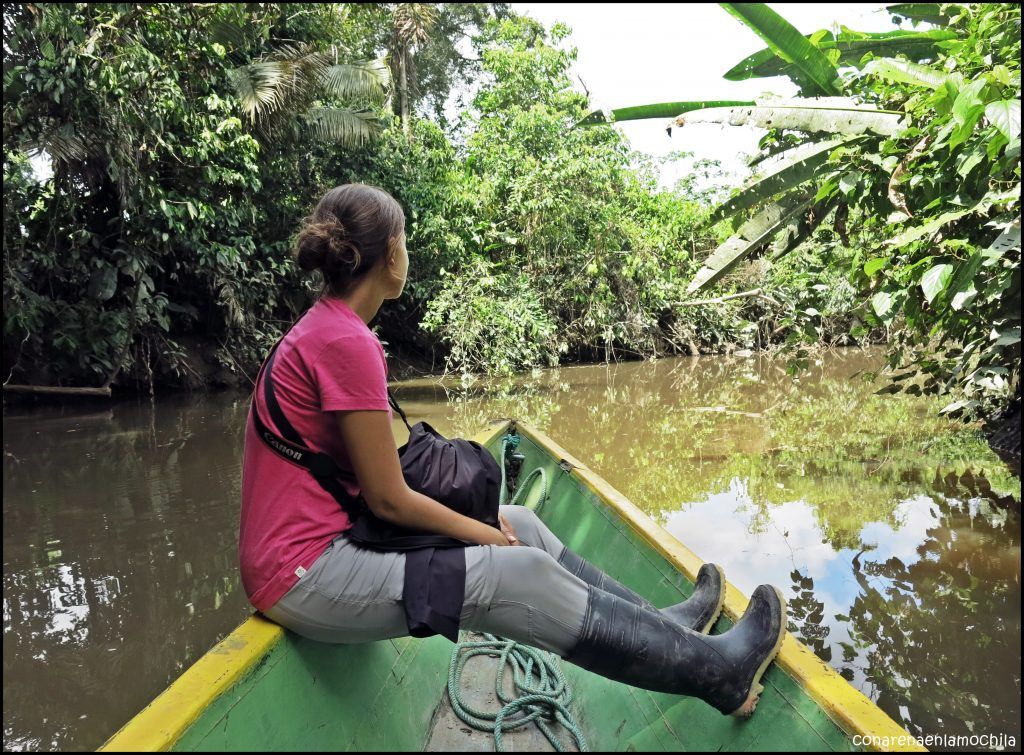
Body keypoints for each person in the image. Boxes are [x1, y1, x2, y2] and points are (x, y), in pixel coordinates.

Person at [239, 183, 787, 718]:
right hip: (303, 573)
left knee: (519, 520)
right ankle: (720, 674)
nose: (408, 252)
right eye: (404, 240)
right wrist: (484, 536)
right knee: (515, 568)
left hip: (328, 548)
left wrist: (492, 528)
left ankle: (669, 627)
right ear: (388, 255)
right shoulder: (345, 341)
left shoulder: (329, 328)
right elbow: (388, 501)